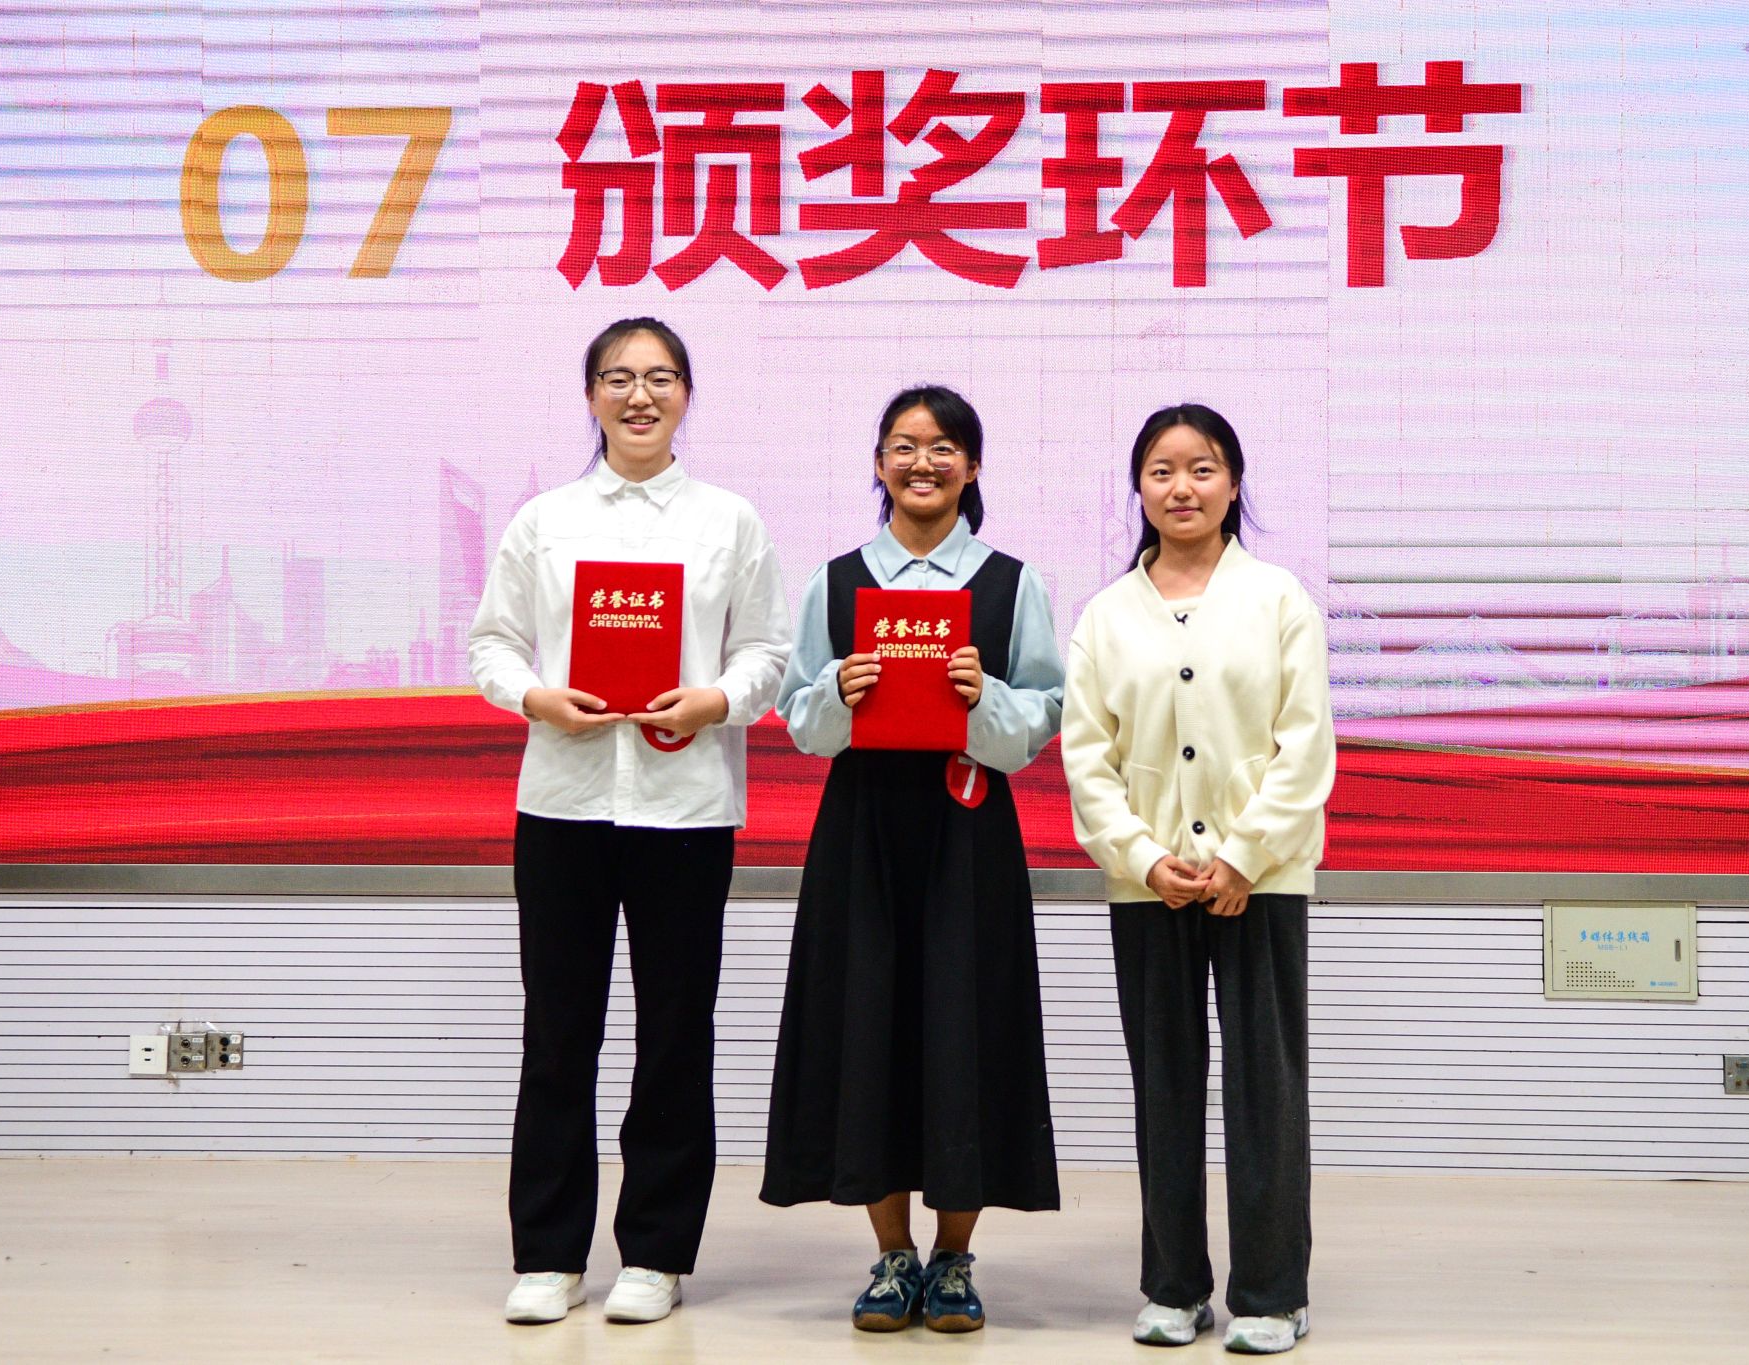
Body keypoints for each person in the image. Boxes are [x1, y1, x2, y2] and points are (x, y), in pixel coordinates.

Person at [468, 316, 792, 1327]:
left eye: (658, 378)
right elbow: (492, 642)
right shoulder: (546, 520)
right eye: (617, 378)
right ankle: (548, 1254)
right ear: (590, 396)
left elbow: (767, 651)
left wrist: (716, 701)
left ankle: (656, 1250)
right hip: (563, 804)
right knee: (558, 1033)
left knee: (674, 1034)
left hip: (684, 810)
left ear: (686, 394)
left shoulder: (729, 520)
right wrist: (535, 696)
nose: (638, 396)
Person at [759, 384, 1064, 1334]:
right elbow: (799, 718)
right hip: (864, 835)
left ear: (972, 468)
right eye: (903, 444)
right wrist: (839, 692)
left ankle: (954, 1257)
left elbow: (1044, 715)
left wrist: (986, 699)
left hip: (968, 832)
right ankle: (892, 1256)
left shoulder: (1011, 583)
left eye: (942, 447)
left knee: (964, 1029)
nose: (921, 462)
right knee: (868, 1028)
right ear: (878, 464)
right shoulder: (838, 582)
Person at [1061, 404, 1335, 1355]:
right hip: (1151, 886)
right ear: (1139, 488)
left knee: (1266, 1088)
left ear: (1234, 483)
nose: (1182, 487)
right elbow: (1087, 758)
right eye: (1162, 470)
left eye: (1203, 468)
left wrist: (1241, 856)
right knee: (1165, 1088)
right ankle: (1174, 1285)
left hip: (1262, 879)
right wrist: (1145, 858)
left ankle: (1272, 1292)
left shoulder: (1279, 599)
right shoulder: (1106, 614)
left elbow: (1306, 744)